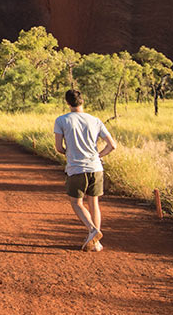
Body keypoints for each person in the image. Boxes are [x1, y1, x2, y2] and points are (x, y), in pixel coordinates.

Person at [54, 88, 117, 252]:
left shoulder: (62, 120)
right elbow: (112, 146)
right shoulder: (95, 120)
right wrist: (99, 155)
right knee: (94, 202)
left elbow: (59, 148)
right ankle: (95, 243)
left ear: (67, 102)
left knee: (76, 202)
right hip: (96, 167)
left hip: (76, 168)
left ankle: (92, 230)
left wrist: (69, 152)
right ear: (82, 101)